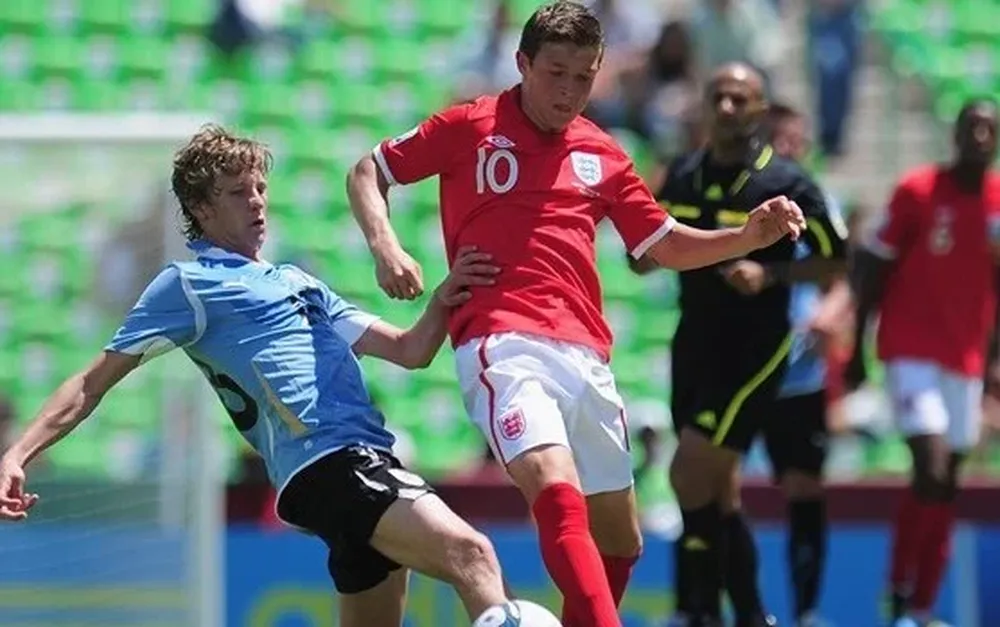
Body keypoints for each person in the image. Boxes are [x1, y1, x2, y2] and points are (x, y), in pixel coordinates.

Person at [345, 3, 808, 627]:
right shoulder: (471, 125)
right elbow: (368, 170)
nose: (568, 91)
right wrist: (387, 247)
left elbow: (662, 241)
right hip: (502, 341)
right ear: (523, 64)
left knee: (621, 541)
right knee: (558, 495)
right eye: (555, 73)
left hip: (585, 355)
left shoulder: (603, 151)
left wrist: (746, 237)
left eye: (584, 77)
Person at [0, 125, 514, 627]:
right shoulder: (189, 283)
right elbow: (93, 381)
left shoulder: (298, 282)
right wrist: (18, 453)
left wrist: (447, 296)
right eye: (237, 193)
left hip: (361, 459)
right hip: (328, 462)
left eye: (261, 189)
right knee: (473, 554)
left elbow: (411, 351)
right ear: (201, 209)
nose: (257, 202)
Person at [630, 68, 848, 627]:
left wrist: (772, 276)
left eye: (740, 99)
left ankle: (698, 610)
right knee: (718, 491)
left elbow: (837, 261)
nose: (727, 106)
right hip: (694, 340)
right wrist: (645, 247)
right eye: (718, 96)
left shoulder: (788, 183)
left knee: (686, 473)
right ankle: (750, 614)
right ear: (704, 104)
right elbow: (641, 251)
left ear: (760, 109)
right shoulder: (682, 173)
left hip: (754, 348)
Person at [847, 96, 1000, 627]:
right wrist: (857, 350)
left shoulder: (998, 202)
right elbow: (873, 268)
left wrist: (995, 365)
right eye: (972, 127)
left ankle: (918, 606)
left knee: (946, 483)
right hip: (910, 350)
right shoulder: (916, 191)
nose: (980, 137)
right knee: (931, 466)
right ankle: (899, 590)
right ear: (955, 134)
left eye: (990, 129)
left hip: (966, 356)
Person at [758, 102, 852, 627]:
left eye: (797, 139)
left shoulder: (821, 203)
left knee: (805, 489)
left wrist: (828, 313)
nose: (790, 149)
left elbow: (843, 279)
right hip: (745, 369)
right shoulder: (743, 199)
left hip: (800, 374)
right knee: (717, 483)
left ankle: (806, 611)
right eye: (780, 139)